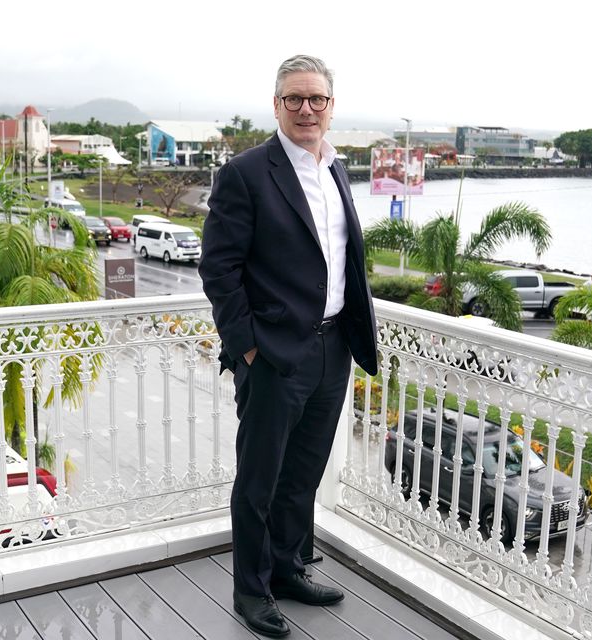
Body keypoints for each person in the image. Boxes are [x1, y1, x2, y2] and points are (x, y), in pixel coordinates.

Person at [198, 54, 378, 638]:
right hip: (274, 356)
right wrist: (247, 347)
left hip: (332, 349)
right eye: (295, 99)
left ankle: (287, 569)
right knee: (259, 481)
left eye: (317, 100)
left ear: (331, 106)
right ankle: (250, 593)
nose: (306, 109)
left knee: (303, 474)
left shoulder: (336, 169)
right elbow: (218, 270)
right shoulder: (247, 173)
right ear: (276, 105)